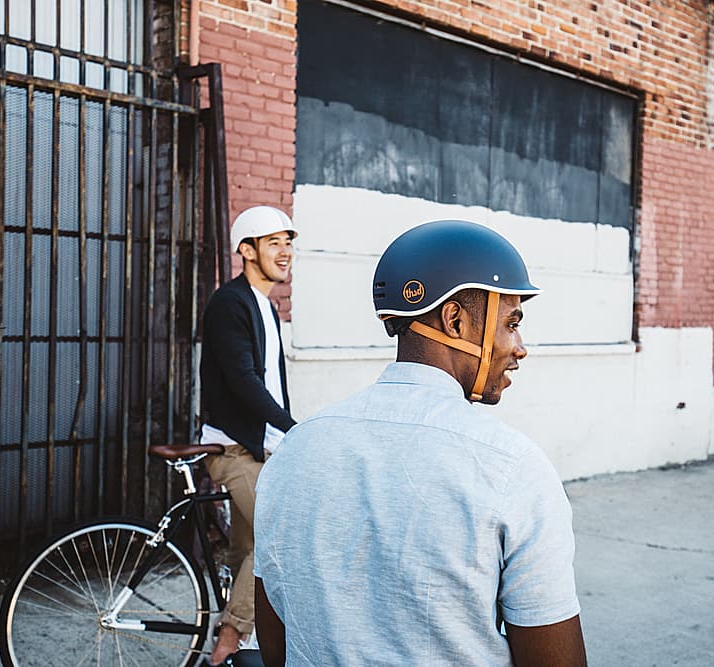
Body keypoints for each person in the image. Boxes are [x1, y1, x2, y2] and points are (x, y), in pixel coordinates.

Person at [252, 220, 587, 666]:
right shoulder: (512, 468)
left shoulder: (296, 450)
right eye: (511, 323)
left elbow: (277, 644)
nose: (520, 347)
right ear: (455, 320)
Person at [199, 205, 298, 666]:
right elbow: (243, 380)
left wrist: (285, 432)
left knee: (248, 550)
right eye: (274, 242)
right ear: (247, 249)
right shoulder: (230, 303)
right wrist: (292, 428)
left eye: (289, 242)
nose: (286, 252)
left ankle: (245, 636)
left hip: (261, 448)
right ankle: (230, 639)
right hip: (233, 449)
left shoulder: (267, 307)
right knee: (279, 534)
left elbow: (271, 383)